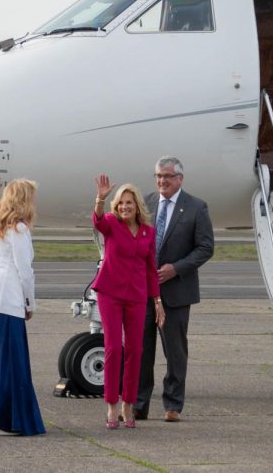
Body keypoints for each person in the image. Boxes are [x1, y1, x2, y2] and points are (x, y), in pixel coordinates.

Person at [133, 156, 214, 422]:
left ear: (180, 178)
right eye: (158, 176)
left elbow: (205, 248)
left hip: (176, 291)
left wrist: (176, 268)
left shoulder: (196, 207)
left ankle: (173, 404)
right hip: (144, 291)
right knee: (141, 350)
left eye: (167, 176)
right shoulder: (145, 203)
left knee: (175, 352)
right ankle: (139, 404)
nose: (162, 181)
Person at [92, 175, 164, 429]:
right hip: (110, 294)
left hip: (136, 296)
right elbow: (97, 221)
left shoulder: (148, 231)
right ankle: (111, 405)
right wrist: (101, 198)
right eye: (121, 202)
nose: (124, 207)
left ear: (137, 206)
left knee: (135, 350)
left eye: (129, 203)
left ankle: (128, 405)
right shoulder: (111, 223)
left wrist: (157, 301)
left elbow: (150, 268)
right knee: (113, 348)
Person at [0, 178, 46, 436]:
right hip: (9, 299)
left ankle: (1, 418)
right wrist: (30, 302)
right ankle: (6, 421)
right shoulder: (18, 229)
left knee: (0, 362)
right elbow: (24, 271)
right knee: (12, 363)